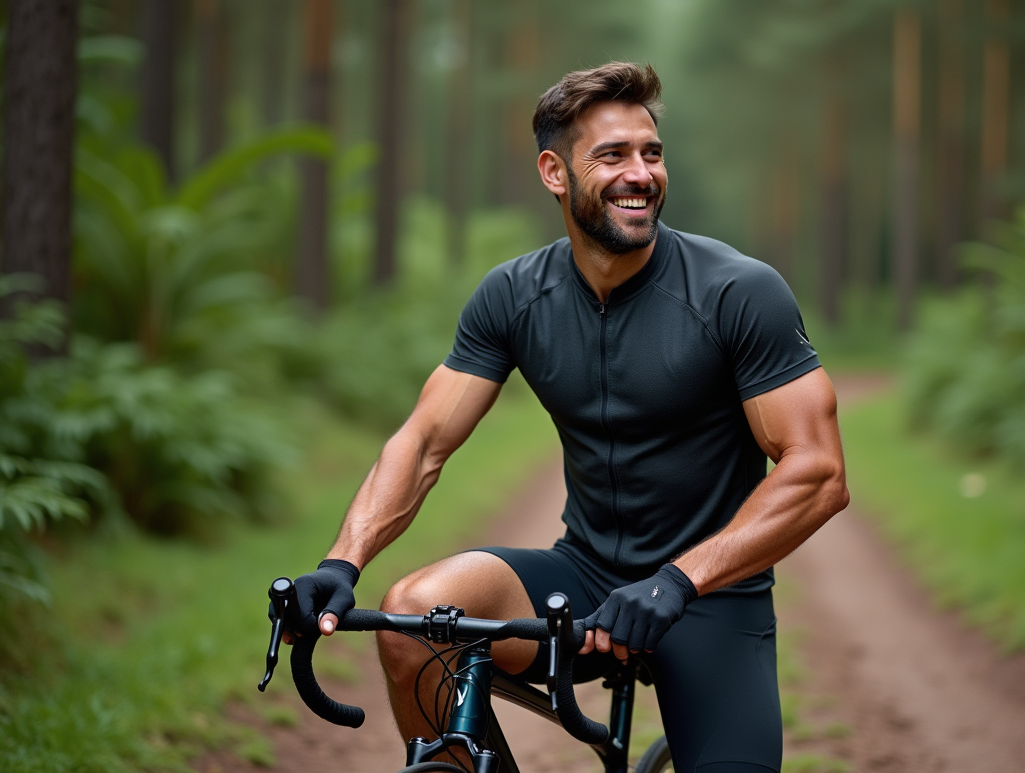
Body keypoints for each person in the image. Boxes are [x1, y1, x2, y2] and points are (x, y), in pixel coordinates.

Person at [291, 62, 849, 773]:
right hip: (581, 577)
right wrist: (342, 561)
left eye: (651, 152)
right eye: (612, 155)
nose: (641, 173)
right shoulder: (514, 295)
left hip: (711, 595)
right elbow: (425, 441)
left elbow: (819, 472)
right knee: (418, 615)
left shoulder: (738, 292)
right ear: (555, 173)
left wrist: (676, 581)